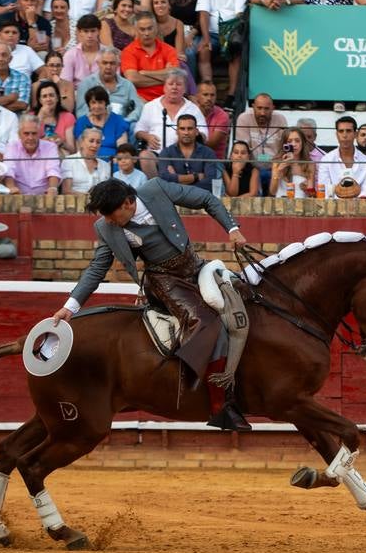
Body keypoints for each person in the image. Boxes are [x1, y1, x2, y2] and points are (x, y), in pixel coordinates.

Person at [53, 177, 251, 431]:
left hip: (196, 266)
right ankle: (218, 407)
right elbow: (97, 268)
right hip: (165, 281)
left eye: (111, 215)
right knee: (205, 323)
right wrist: (71, 306)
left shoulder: (156, 189)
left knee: (247, 298)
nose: (109, 221)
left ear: (128, 203)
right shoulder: (105, 227)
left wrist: (232, 228)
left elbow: (206, 199)